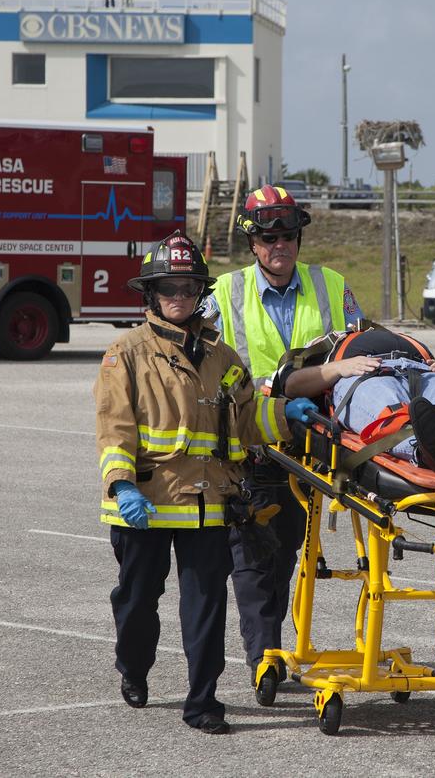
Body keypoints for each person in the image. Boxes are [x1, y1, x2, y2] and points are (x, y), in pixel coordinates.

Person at [93, 231, 316, 735]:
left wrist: (286, 414)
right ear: (150, 294)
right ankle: (132, 666)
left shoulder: (221, 355)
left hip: (209, 503)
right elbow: (115, 427)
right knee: (135, 603)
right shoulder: (124, 354)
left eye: (188, 288)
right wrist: (122, 484)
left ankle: (203, 704)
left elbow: (247, 416)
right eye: (168, 287)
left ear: (200, 294)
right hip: (143, 503)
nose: (178, 297)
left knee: (206, 608)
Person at [205, 183, 364, 685]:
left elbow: (361, 346)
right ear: (252, 243)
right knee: (252, 556)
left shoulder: (332, 286)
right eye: (269, 237)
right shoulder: (225, 294)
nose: (281, 245)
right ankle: (264, 657)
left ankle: (271, 645)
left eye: (289, 235)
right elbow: (200, 370)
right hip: (252, 445)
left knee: (288, 549)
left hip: (316, 448)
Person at [275, 326, 435, 483]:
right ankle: (425, 451)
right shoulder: (322, 349)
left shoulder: (403, 338)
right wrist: (338, 368)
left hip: (420, 369)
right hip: (362, 375)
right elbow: (291, 385)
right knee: (390, 409)